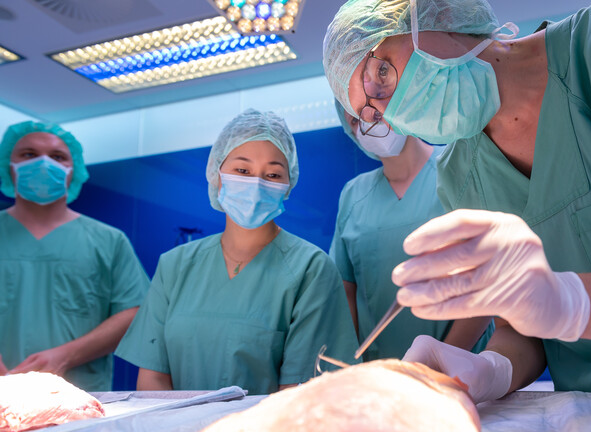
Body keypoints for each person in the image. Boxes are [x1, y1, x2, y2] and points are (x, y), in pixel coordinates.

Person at [322, 0, 591, 416]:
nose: (390, 108)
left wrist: (571, 302)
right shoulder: (460, 176)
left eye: (379, 74)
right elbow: (527, 327)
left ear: (432, 14)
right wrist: (490, 368)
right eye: (373, 114)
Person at [115, 109, 358, 394]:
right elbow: (152, 379)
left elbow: (298, 395)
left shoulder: (310, 269)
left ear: (288, 184)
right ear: (217, 174)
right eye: (242, 170)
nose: (256, 183)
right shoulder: (175, 266)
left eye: (272, 174)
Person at [331, 101, 493, 361]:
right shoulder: (354, 195)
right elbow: (346, 291)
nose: (367, 123)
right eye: (354, 120)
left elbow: (489, 276)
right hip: (382, 374)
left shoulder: (460, 167)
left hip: (461, 365)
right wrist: (353, 365)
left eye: (372, 109)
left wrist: (437, 364)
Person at [0, 121, 149, 391]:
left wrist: (67, 355)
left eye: (57, 157)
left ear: (72, 170)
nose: (44, 164)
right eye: (29, 154)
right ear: (7, 165)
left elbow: (134, 312)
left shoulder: (108, 240)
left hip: (78, 396)